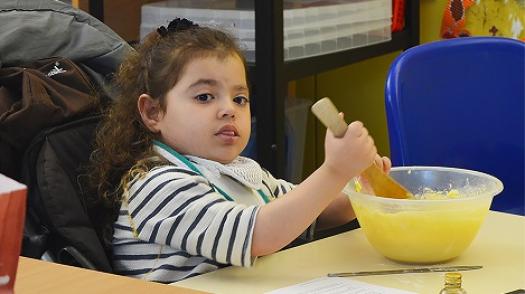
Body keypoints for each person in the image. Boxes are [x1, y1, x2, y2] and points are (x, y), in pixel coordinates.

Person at [88, 18, 391, 284]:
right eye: (205, 96)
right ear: (153, 112)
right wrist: (334, 170)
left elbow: (313, 212)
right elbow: (260, 235)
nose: (228, 110)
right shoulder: (156, 185)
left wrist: (360, 189)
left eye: (240, 99)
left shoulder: (242, 172)